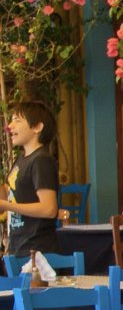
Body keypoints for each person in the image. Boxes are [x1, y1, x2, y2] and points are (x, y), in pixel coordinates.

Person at [1, 101, 60, 257]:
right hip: (18, 247)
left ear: (37, 127)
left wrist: (6, 205)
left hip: (37, 252)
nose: (9, 126)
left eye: (17, 120)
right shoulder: (21, 159)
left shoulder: (41, 160)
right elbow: (8, 197)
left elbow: (49, 209)